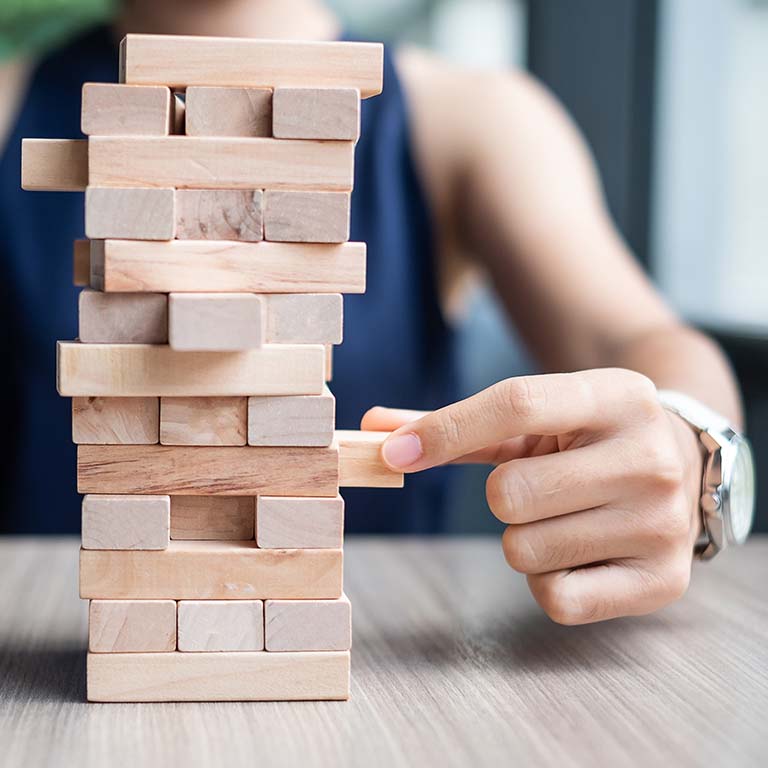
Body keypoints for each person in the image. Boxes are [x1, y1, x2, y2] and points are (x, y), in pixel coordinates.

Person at [0, 0, 746, 624]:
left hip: (368, 695)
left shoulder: (471, 119)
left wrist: (687, 441)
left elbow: (638, 337)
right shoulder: (12, 106)